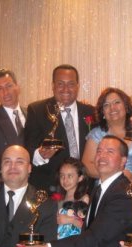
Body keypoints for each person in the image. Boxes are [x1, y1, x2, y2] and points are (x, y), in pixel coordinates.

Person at [24, 64, 94, 194]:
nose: (66, 89)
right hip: (51, 188)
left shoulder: (90, 112)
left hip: (85, 188)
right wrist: (41, 155)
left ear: (78, 86)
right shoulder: (37, 110)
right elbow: (27, 149)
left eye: (71, 84)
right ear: (53, 86)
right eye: (60, 84)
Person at [82, 87, 132, 197]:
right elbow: (86, 165)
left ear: (126, 107)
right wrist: (117, 175)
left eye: (117, 102)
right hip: (108, 192)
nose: (112, 107)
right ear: (102, 112)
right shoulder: (97, 134)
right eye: (106, 105)